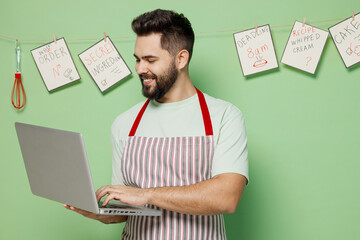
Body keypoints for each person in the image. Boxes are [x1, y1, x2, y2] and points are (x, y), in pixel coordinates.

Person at [64, 9, 249, 239]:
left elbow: (226, 197)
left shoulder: (224, 116)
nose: (140, 69)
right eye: (138, 59)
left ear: (181, 58)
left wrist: (147, 195)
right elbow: (126, 207)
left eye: (150, 60)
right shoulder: (124, 123)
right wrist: (101, 212)